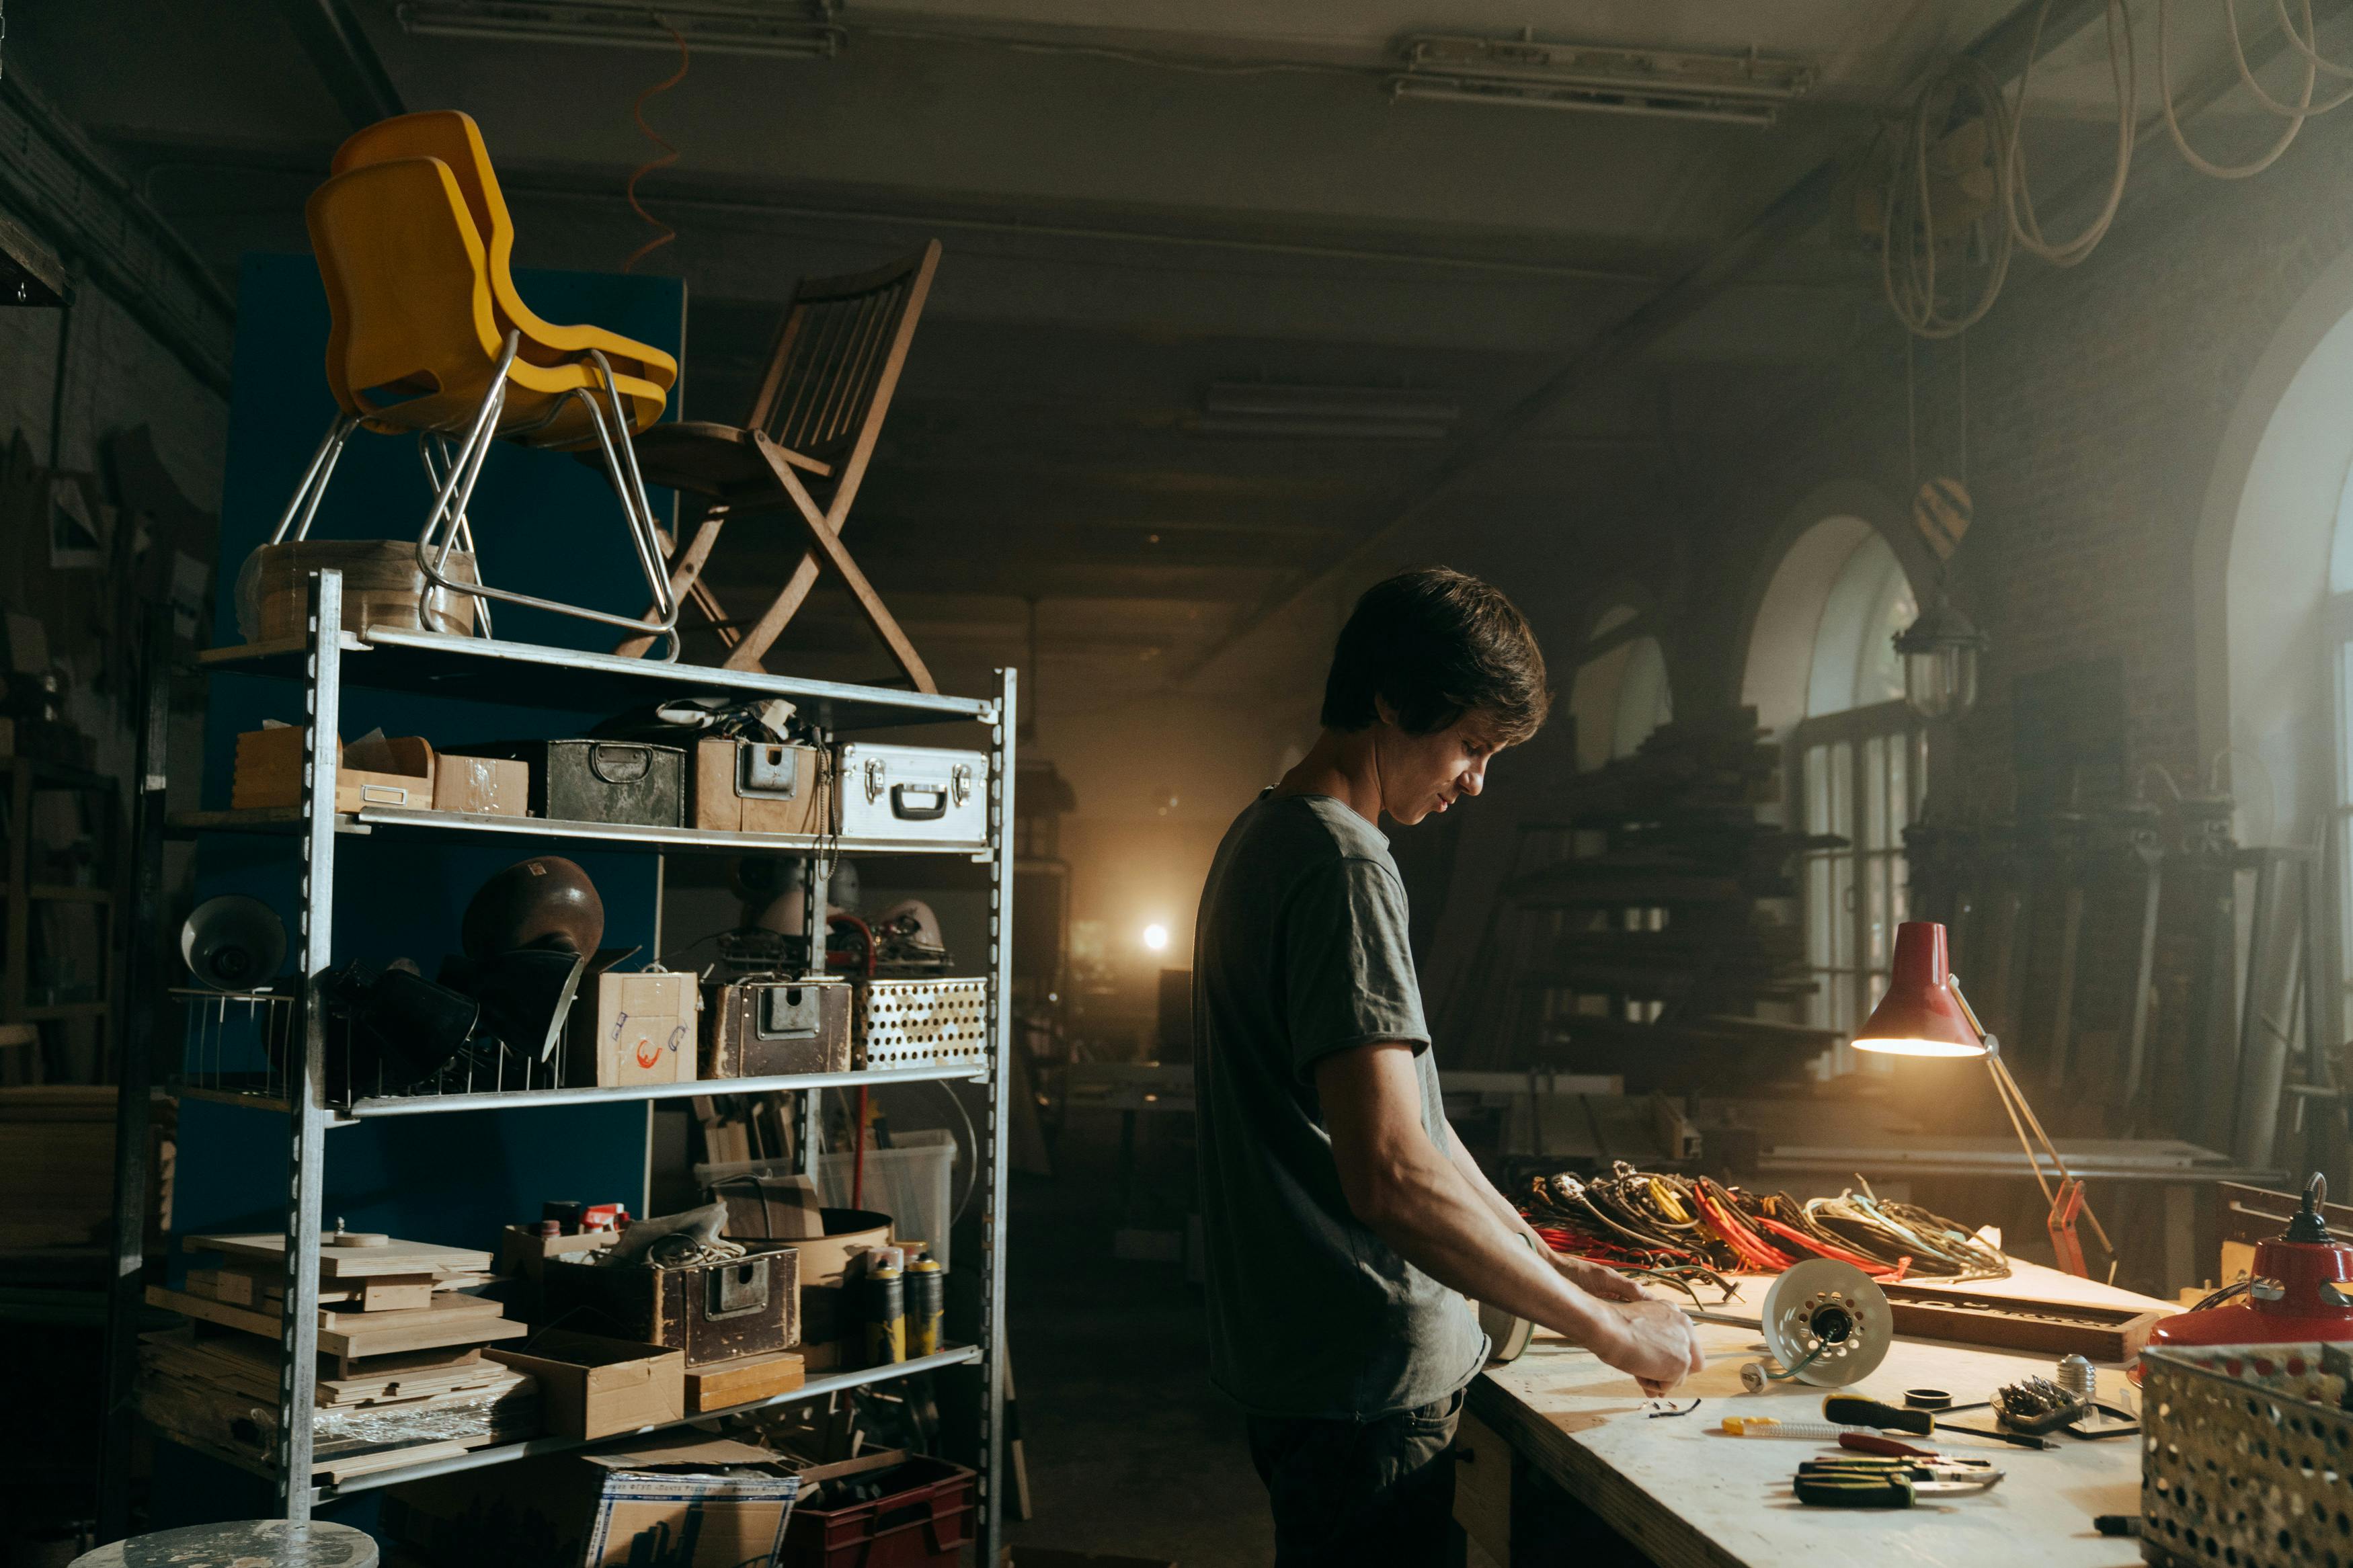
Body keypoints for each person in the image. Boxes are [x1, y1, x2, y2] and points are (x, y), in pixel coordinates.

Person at [1191, 567, 1704, 1567]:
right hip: (1367, 1387)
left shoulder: (1260, 836)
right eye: (1471, 744)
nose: (1476, 781)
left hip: (1304, 1374)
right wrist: (1614, 1335)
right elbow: (1388, 1174)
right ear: (1390, 702)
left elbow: (1417, 1133)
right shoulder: (1345, 864)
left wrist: (1550, 1261)